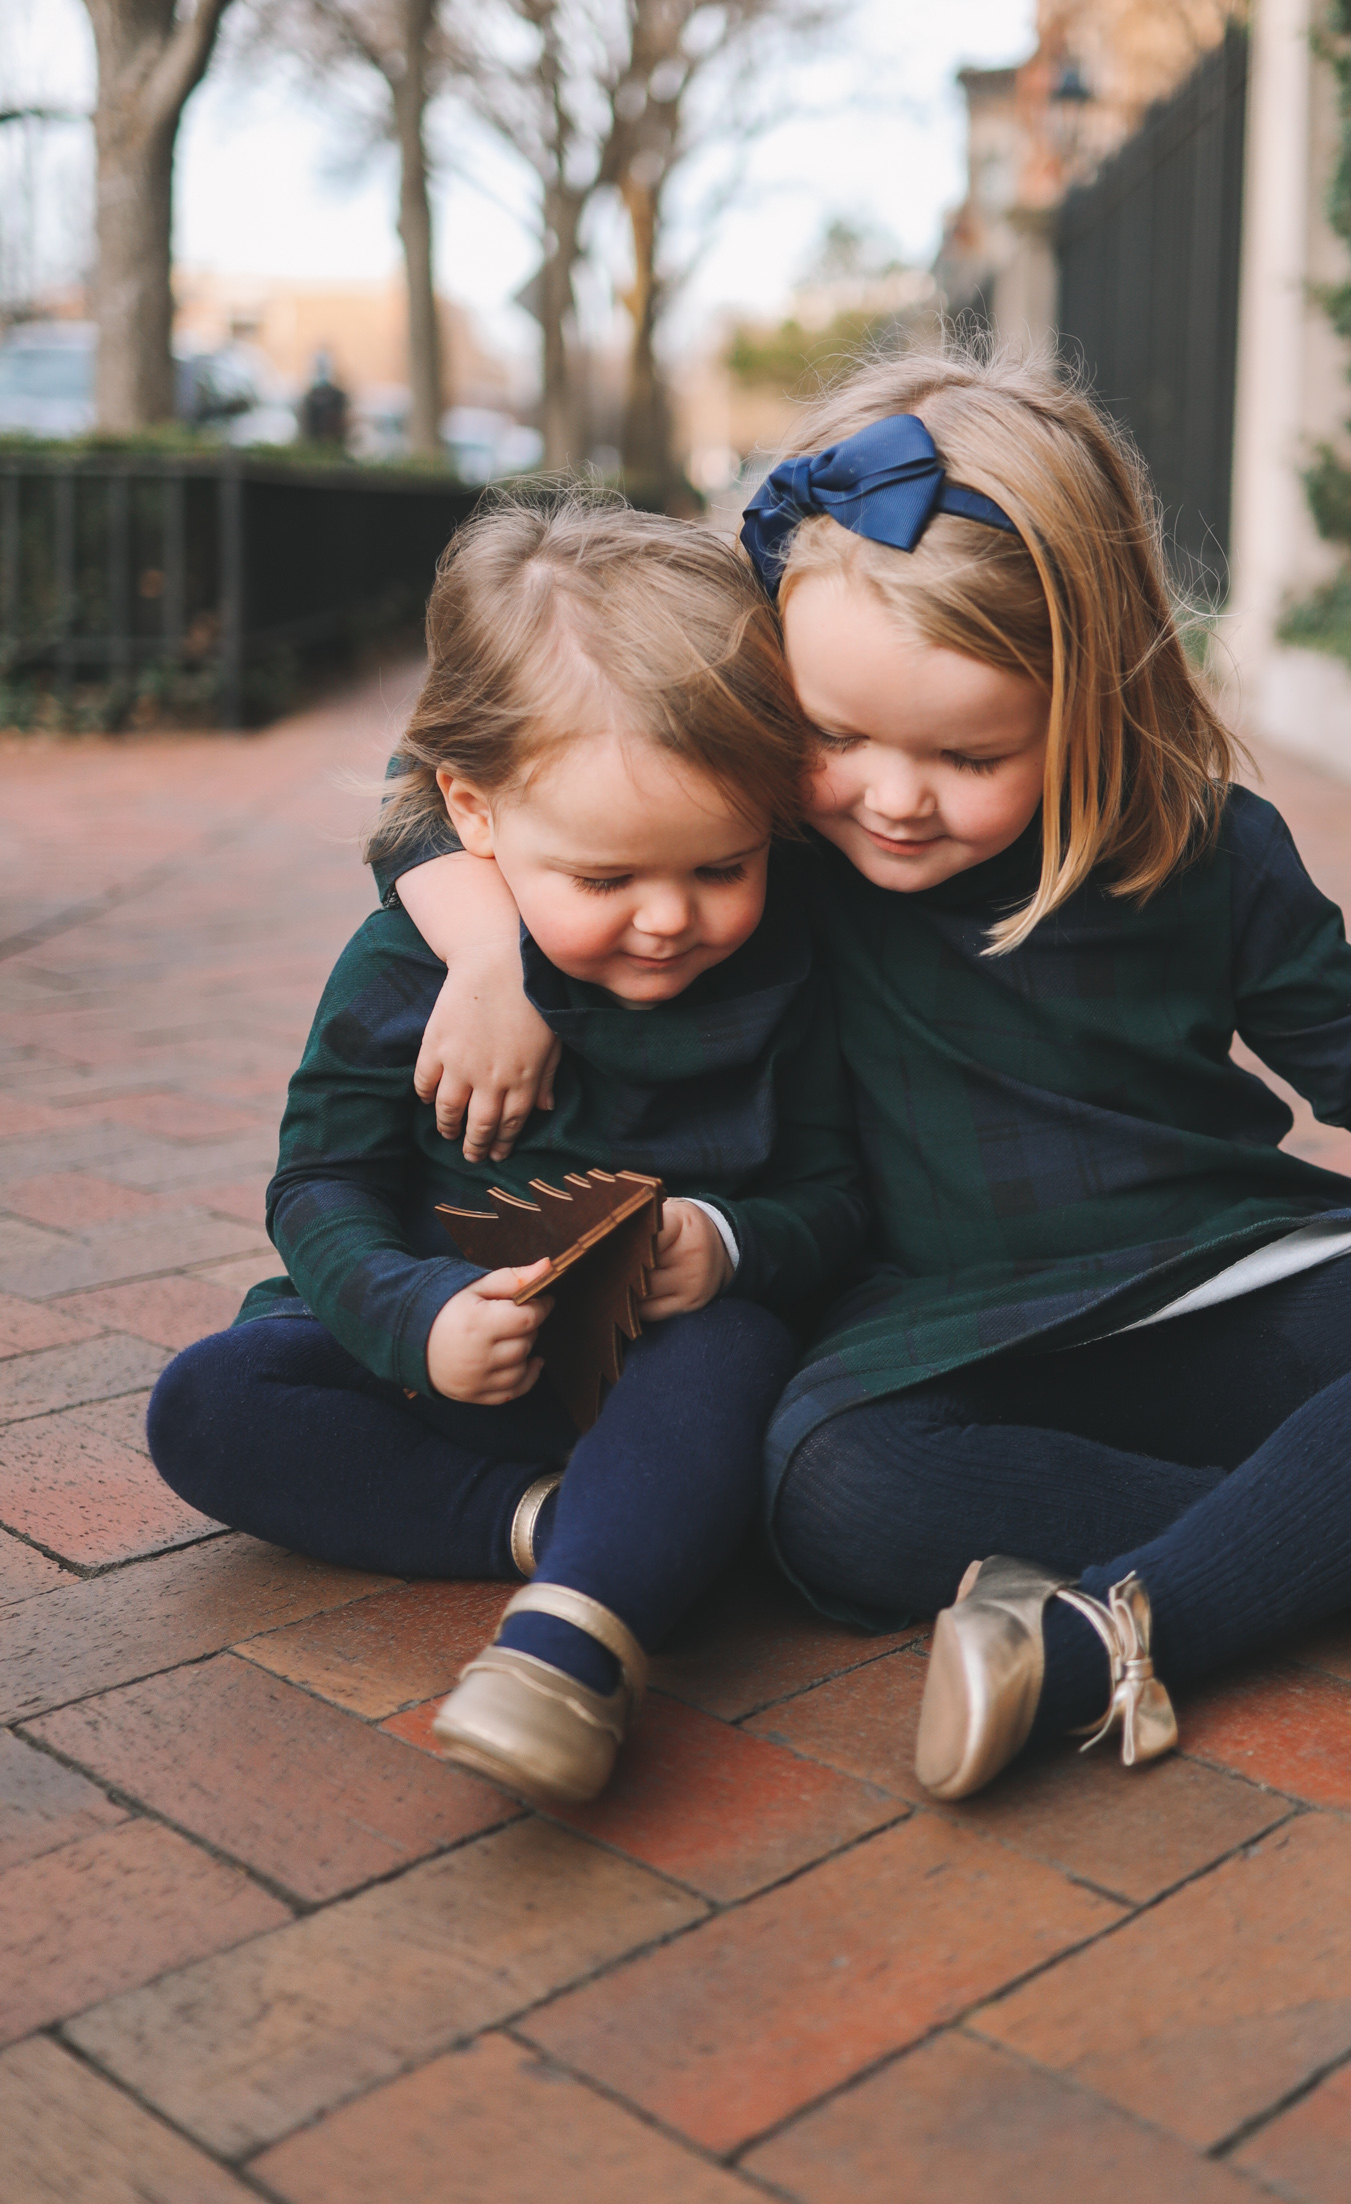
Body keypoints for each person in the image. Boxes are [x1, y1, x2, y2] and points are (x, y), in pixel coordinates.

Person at [379, 350, 1351, 1806]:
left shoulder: (1198, 846)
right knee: (830, 1496)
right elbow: (438, 801)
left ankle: (1115, 1635)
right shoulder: (779, 854)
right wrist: (492, 960)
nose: (891, 793)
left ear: (1090, 692)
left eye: (969, 751)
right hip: (945, 1342)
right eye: (834, 733)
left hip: (1220, 1286)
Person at [145, 493, 863, 1808]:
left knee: (736, 1346)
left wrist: (728, 1243)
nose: (669, 920)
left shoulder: (782, 962)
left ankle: (571, 1638)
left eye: (721, 865)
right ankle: (546, 1524)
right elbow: (322, 1185)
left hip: (669, 1361)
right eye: (605, 880)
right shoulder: (407, 969)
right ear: (472, 814)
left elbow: (834, 1189)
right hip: (448, 1358)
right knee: (208, 1405)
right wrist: (417, 1318)